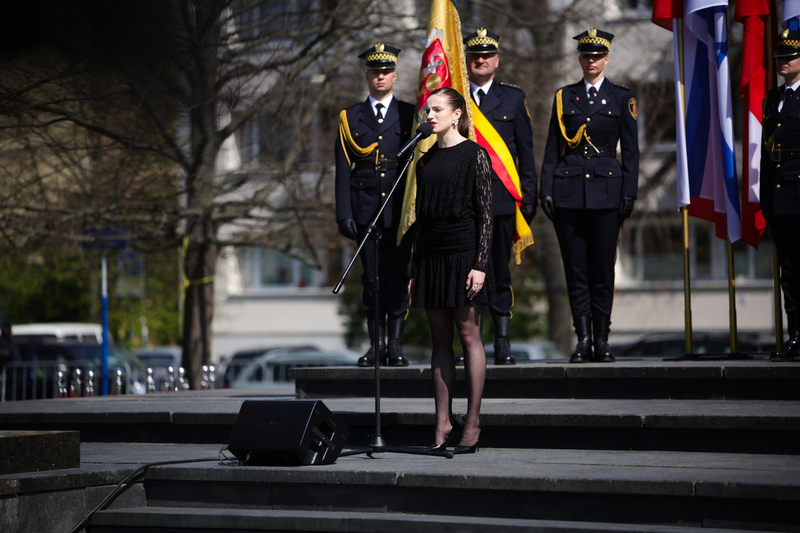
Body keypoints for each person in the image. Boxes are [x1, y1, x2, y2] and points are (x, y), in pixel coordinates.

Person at [539, 28, 639, 363]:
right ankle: (582, 339)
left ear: (606, 58)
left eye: (597, 55)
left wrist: (629, 192)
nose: (591, 60)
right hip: (568, 192)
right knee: (576, 269)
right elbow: (553, 149)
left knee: (602, 270)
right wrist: (546, 190)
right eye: (586, 55)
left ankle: (602, 339)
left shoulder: (622, 98)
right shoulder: (564, 97)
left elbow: (633, 152)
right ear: (580, 59)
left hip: (608, 192)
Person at [408, 87, 491, 454]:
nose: (430, 115)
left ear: (457, 114)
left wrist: (480, 265)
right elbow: (419, 221)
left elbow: (487, 215)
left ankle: (471, 423)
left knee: (468, 334)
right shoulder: (423, 159)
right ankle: (442, 422)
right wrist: (414, 270)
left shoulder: (475, 155)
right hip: (431, 255)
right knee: (439, 339)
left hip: (463, 252)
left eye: (438, 109)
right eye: (428, 110)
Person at [335, 43, 416, 367]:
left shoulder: (410, 114)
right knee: (372, 280)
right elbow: (343, 169)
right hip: (365, 205)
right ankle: (375, 343)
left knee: (397, 276)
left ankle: (394, 343)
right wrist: (344, 213)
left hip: (398, 208)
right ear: (367, 75)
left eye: (386, 72)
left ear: (394, 75)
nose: (380, 77)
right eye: (375, 72)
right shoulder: (350, 116)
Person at [463, 28, 537, 365]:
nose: (480, 60)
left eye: (487, 55)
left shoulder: (513, 98)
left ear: (496, 60)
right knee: (467, 273)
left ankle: (503, 342)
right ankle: (470, 343)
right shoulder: (456, 98)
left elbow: (525, 151)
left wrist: (530, 196)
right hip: (464, 202)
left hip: (502, 199)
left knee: (499, 271)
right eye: (475, 56)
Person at [761, 29, 800, 362]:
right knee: (789, 269)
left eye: (789, 57)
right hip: (780, 193)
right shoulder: (773, 99)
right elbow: (766, 151)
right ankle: (796, 336)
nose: (782, 62)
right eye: (779, 57)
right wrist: (765, 196)